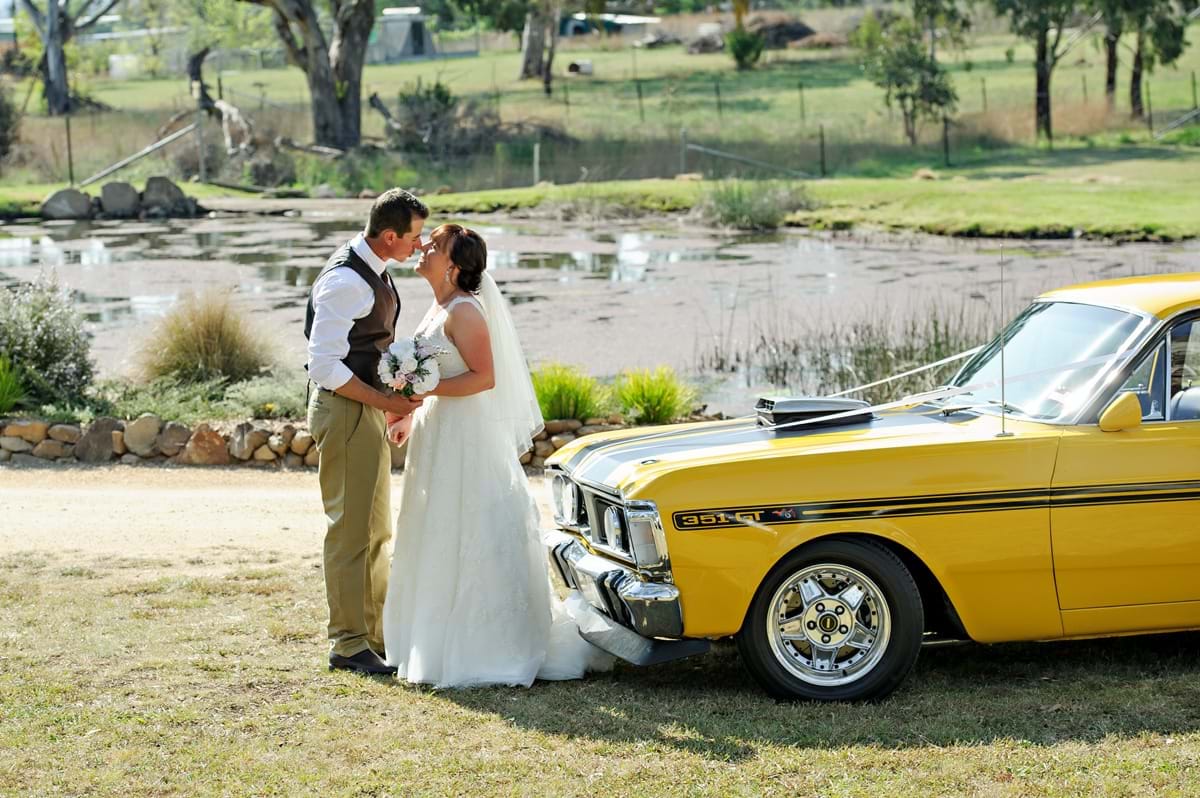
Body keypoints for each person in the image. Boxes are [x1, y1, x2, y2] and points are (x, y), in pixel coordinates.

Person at [382, 224, 611, 687]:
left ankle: (486, 647)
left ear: (453, 265)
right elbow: (433, 371)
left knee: (470, 525)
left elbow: (484, 378)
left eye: (435, 245)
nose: (423, 248)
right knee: (437, 526)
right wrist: (410, 407)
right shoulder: (440, 305)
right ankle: (431, 639)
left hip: (467, 435)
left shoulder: (465, 311)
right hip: (439, 430)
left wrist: (429, 388)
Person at [304, 188, 429, 676]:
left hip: (364, 409)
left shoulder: (375, 268)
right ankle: (348, 643)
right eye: (415, 237)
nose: (419, 245)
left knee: (376, 530)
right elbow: (324, 365)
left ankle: (375, 635)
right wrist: (386, 402)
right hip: (344, 412)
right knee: (350, 531)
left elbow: (370, 347)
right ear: (390, 235)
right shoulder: (346, 282)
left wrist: (392, 405)